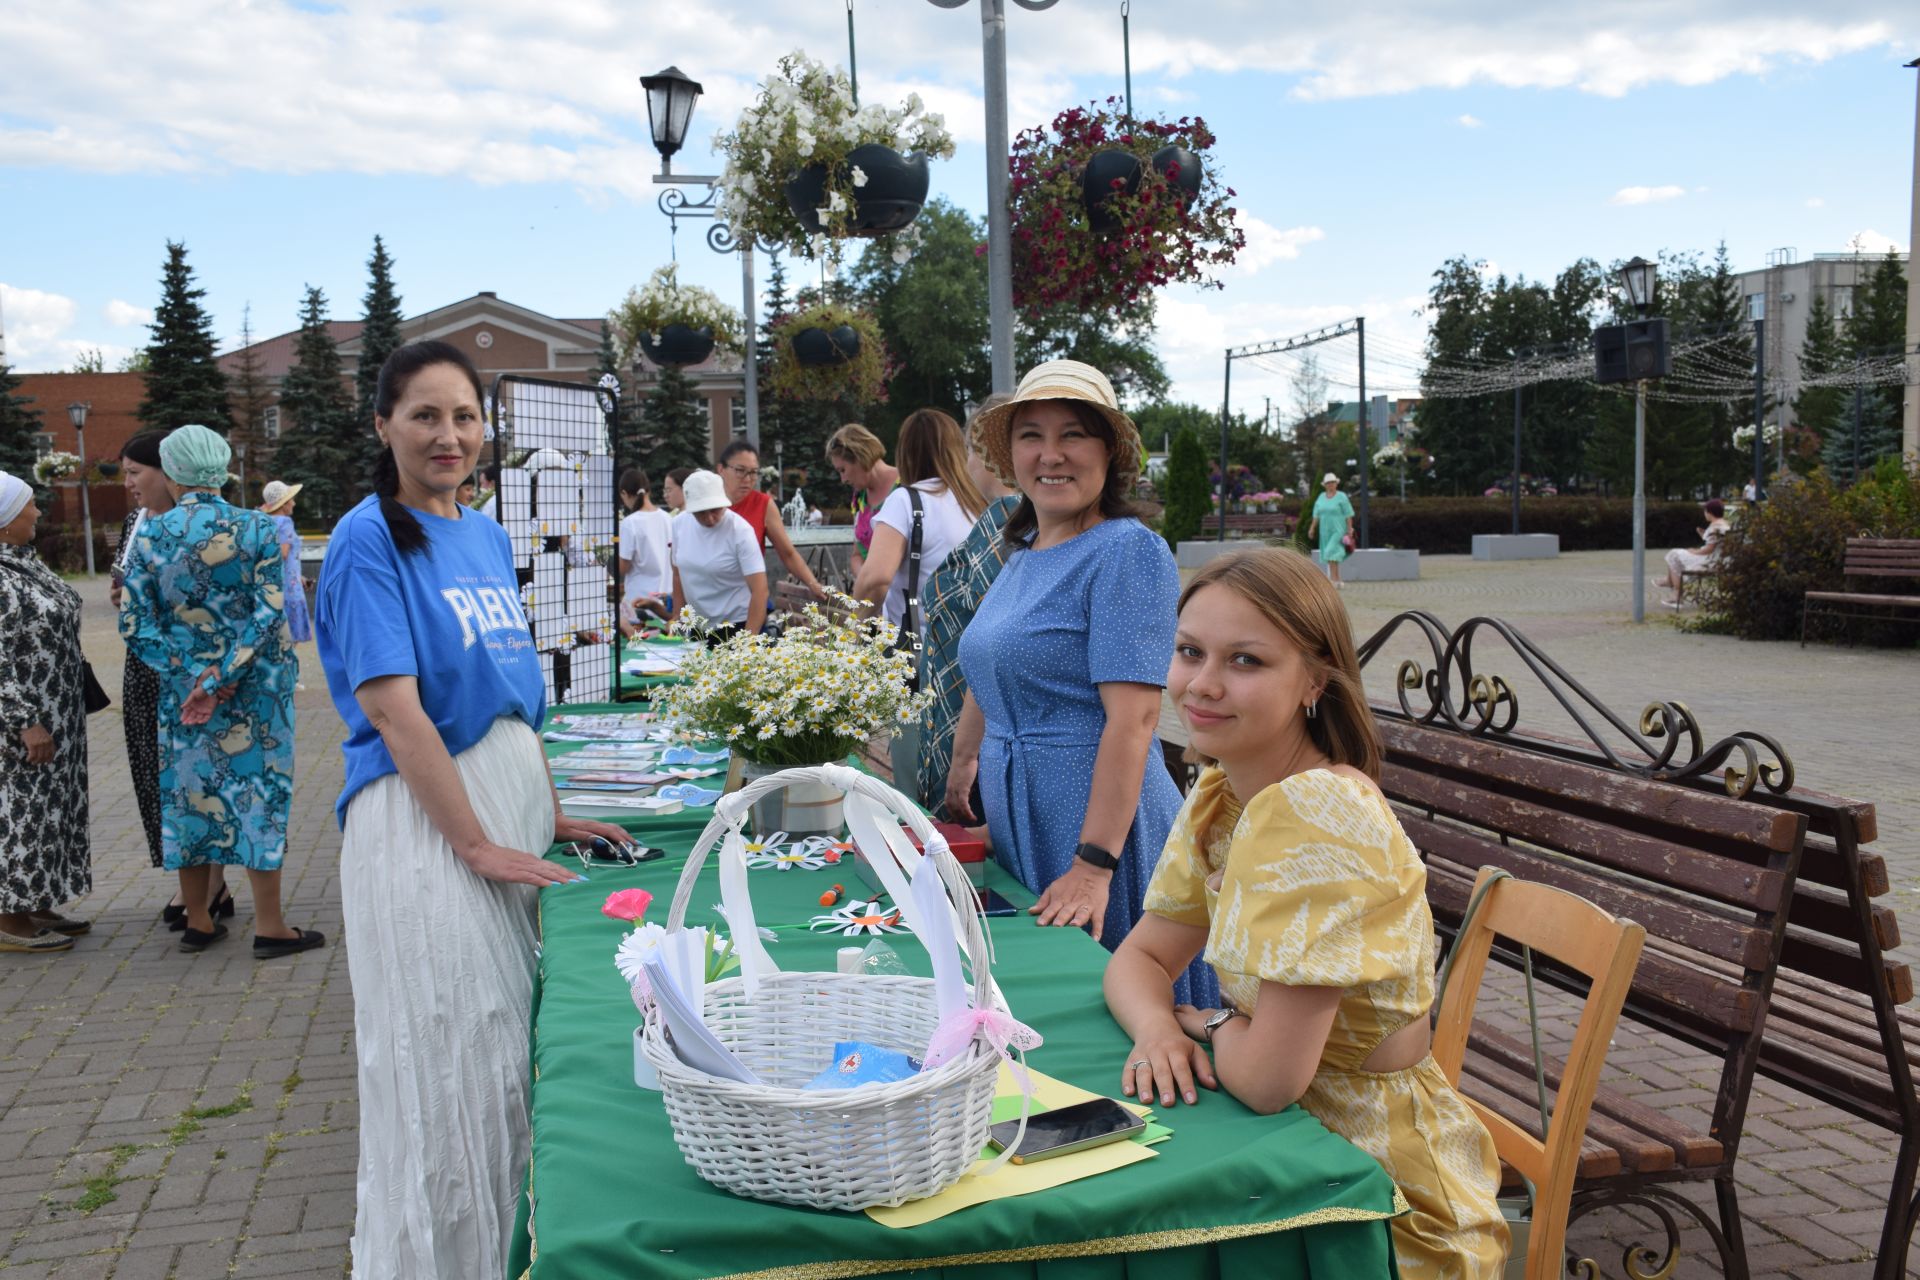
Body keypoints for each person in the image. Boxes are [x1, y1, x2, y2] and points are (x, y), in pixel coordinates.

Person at [1104, 547, 1509, 1279]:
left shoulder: (1317, 814)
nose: (1201, 685)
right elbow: (1139, 959)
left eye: (1246, 662)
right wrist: (1161, 1026)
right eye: (1190, 651)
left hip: (1376, 1196)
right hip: (1288, 1158)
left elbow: (1265, 1081)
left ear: (1315, 681)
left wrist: (1213, 1019)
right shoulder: (1223, 794)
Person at [315, 340, 629, 1278]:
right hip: (424, 826)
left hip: (504, 808)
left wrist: (550, 811)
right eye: (424, 415)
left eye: (463, 416)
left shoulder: (487, 535)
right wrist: (477, 843)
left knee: (516, 1061)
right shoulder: (368, 535)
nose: (448, 435)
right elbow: (390, 707)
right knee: (457, 1060)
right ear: (384, 425)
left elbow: (515, 693)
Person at [949, 361, 1214, 1003]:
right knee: (1043, 996)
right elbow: (988, 665)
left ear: (1109, 455)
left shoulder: (1127, 549)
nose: (1051, 454)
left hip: (1099, 822)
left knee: (1115, 1010)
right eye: (1031, 436)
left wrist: (1094, 868)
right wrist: (960, 770)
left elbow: (1136, 720)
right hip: (1020, 809)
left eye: (1073, 435)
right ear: (1011, 456)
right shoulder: (1026, 551)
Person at [118, 425, 319, 958]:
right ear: (221, 465)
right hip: (256, 690)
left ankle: (200, 919)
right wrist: (224, 673)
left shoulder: (153, 535)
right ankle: (271, 926)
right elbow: (268, 610)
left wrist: (193, 677)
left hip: (183, 696)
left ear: (173, 469)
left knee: (187, 798)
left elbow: (136, 623)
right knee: (259, 796)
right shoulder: (257, 527)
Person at [113, 432, 234, 923]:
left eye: (134, 472)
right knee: (158, 777)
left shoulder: (216, 523)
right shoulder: (134, 524)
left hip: (206, 671)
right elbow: (124, 591)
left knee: (204, 774)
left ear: (167, 471)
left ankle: (213, 886)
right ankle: (188, 879)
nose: (128, 484)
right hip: (147, 668)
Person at [0, 472, 93, 952]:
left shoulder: (21, 561)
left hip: (55, 712)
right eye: (29, 506)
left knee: (48, 812)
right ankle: (8, 918)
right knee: (19, 812)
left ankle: (33, 900)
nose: (38, 513)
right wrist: (24, 720)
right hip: (21, 723)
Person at [916, 396, 1020, 819]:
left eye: (970, 452)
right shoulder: (1003, 519)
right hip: (966, 720)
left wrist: (965, 753)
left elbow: (995, 643)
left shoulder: (1011, 520)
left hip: (974, 728)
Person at [851, 408, 987, 635]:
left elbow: (875, 578)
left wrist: (852, 634)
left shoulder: (905, 501)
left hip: (917, 649)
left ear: (906, 453)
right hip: (966, 644)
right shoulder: (976, 502)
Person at [716, 439, 828, 604]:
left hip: (747, 600)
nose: (748, 479)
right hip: (708, 596)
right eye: (740, 471)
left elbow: (788, 554)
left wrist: (813, 583)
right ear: (721, 469)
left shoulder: (763, 504)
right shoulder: (706, 504)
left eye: (754, 472)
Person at [670, 470, 767, 642]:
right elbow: (678, 574)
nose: (709, 518)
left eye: (715, 510)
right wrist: (677, 616)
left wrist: (747, 642)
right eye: (700, 512)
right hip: (697, 626)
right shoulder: (679, 525)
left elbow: (760, 590)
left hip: (737, 626)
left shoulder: (740, 531)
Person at [825, 423, 898, 575]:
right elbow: (857, 555)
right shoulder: (859, 499)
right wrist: (864, 582)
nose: (843, 479)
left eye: (843, 470)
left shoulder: (907, 485)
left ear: (859, 457)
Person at [617, 466, 672, 634]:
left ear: (625, 494)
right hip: (665, 602)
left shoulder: (630, 522)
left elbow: (623, 568)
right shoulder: (668, 518)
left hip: (637, 603)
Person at [260, 480, 312, 650]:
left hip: (272, 588)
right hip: (289, 591)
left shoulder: (265, 521)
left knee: (276, 642)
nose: (294, 503)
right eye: (291, 499)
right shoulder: (285, 522)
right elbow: (282, 554)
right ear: (283, 503)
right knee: (289, 643)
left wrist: (299, 576)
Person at [1662, 498, 1731, 608]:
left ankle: (1676, 594)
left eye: (1705, 511)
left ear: (1709, 512)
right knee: (1677, 554)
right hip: (1721, 560)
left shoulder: (1715, 527)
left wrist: (1695, 551)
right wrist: (1703, 534)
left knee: (1673, 554)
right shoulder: (1724, 524)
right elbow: (1716, 543)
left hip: (1710, 561)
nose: (1704, 514)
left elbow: (1709, 549)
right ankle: (1670, 583)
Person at [1308, 472, 1355, 587]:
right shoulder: (1320, 497)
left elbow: (1348, 514)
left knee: (1330, 552)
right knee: (1332, 555)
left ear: (1336, 484)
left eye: (1332, 482)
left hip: (1338, 530)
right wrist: (1312, 528)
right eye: (1328, 483)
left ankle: (1332, 580)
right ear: (1324, 485)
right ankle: (1338, 580)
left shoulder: (1342, 496)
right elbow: (1316, 515)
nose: (1330, 485)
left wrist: (1349, 529)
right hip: (1325, 531)